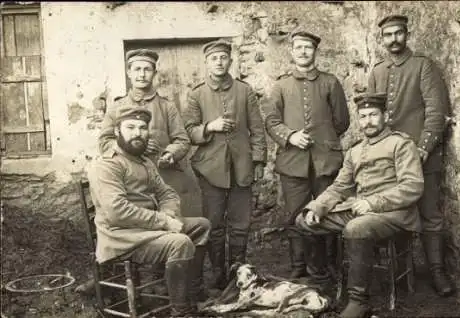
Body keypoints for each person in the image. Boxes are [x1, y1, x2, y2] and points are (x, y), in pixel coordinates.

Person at [295, 92, 424, 318]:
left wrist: (372, 202)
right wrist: (317, 206)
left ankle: (359, 301)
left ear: (385, 115)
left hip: (394, 214)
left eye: (373, 115)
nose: (368, 121)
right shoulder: (355, 150)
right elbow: (340, 186)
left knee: (356, 228)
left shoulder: (400, 144)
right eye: (363, 116)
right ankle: (322, 283)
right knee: (304, 220)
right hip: (361, 211)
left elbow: (412, 186)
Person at [88, 106, 211, 316]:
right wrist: (164, 222)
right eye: (130, 127)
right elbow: (118, 212)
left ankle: (190, 293)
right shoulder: (107, 165)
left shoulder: (144, 161)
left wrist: (169, 215)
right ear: (117, 131)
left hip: (147, 230)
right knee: (179, 243)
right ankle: (181, 312)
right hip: (121, 237)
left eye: (143, 128)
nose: (137, 133)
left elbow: (167, 193)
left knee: (201, 225)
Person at [367, 14, 454, 296]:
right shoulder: (377, 72)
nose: (394, 39)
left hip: (423, 156)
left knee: (430, 214)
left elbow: (436, 112)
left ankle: (437, 272)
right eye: (388, 35)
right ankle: (402, 273)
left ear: (407, 35)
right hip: (390, 158)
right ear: (381, 39)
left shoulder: (423, 66)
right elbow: (372, 115)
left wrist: (423, 148)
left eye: (398, 33)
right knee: (395, 212)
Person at [263, 29, 350, 283]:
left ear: (315, 52)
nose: (303, 52)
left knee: (327, 212)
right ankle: (299, 265)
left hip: (326, 161)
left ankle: (327, 265)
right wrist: (290, 136)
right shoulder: (281, 85)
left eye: (308, 48)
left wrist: (324, 139)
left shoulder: (330, 82)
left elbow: (341, 121)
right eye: (298, 47)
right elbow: (271, 120)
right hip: (293, 162)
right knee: (295, 214)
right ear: (292, 52)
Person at [182, 39, 268, 290]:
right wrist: (210, 127)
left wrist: (259, 160)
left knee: (241, 223)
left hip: (242, 166)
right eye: (213, 58)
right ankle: (219, 274)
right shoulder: (197, 94)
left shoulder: (245, 90)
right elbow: (188, 131)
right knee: (215, 225)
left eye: (223, 57)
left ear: (230, 61)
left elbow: (257, 129)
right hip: (210, 170)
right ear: (207, 63)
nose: (219, 62)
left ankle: (237, 272)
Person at [98, 48, 200, 218]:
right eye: (137, 69)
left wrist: (170, 153)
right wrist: (133, 147)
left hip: (164, 177)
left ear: (154, 73)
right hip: (130, 180)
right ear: (129, 72)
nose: (142, 74)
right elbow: (104, 142)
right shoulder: (117, 107)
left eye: (147, 69)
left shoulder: (167, 106)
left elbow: (182, 140)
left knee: (173, 221)